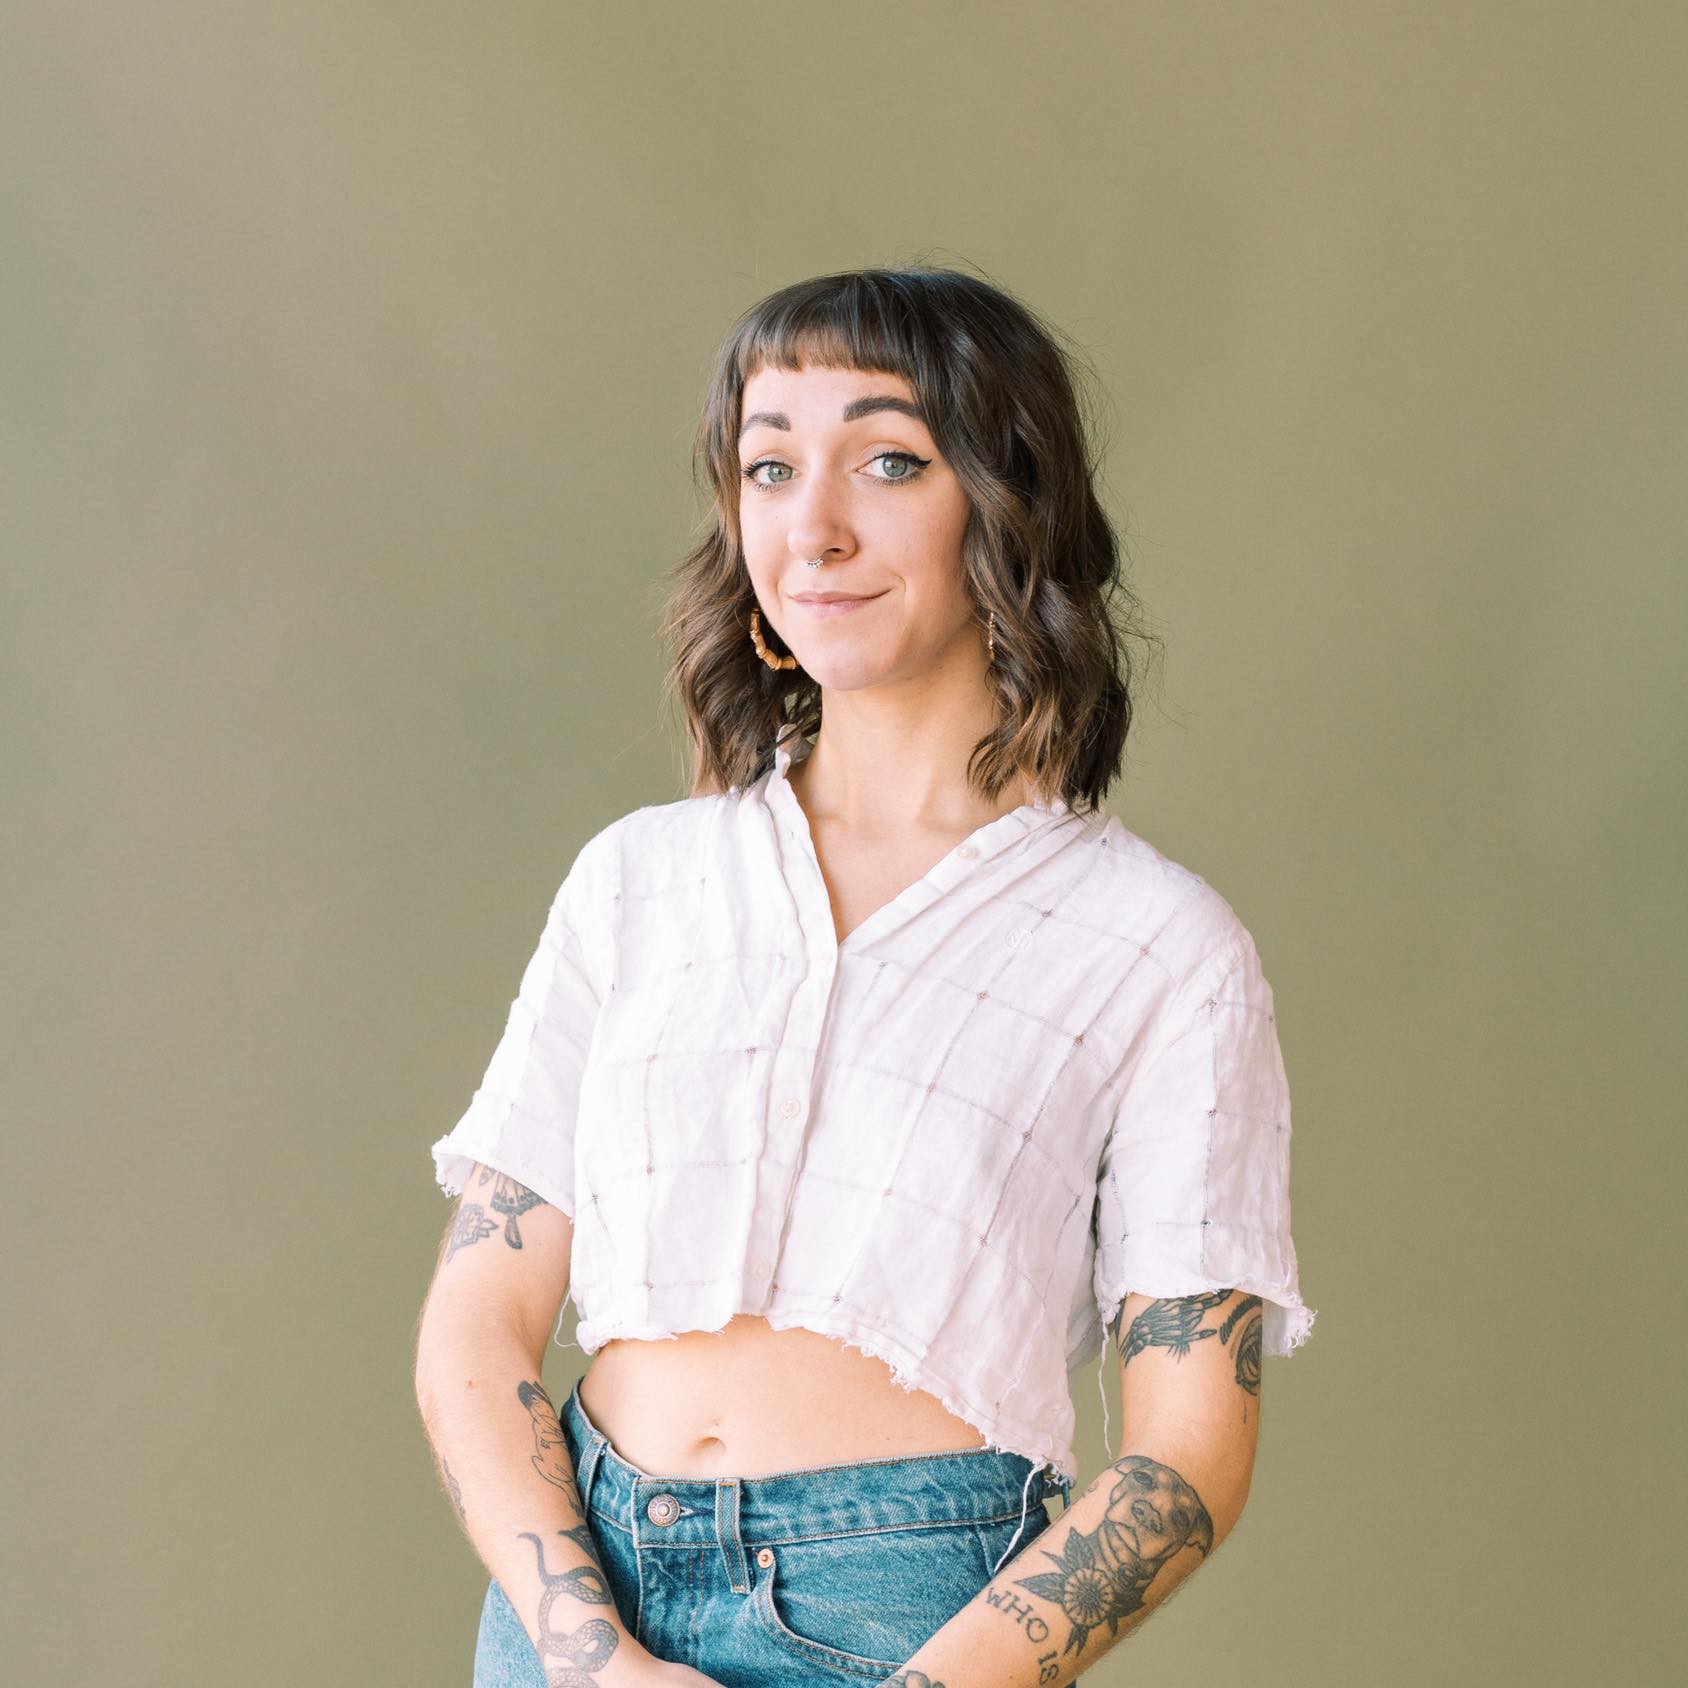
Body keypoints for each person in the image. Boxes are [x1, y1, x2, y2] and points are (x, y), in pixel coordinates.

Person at [413, 264, 1316, 1688]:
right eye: (769, 467)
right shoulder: (642, 882)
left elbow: (1190, 1451)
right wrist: (591, 1658)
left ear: (1007, 505)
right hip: (577, 1603)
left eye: (888, 460)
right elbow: (477, 1318)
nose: (815, 526)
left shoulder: (1154, 945)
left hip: (912, 1618)